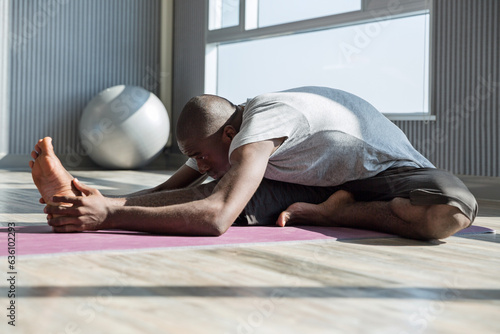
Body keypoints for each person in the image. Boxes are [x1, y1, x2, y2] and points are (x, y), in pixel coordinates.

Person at [31, 86, 477, 240]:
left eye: (202, 154)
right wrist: (98, 196)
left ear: (230, 134)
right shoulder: (227, 131)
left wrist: (109, 216)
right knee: (212, 186)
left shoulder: (262, 126)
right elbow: (185, 184)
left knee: (446, 215)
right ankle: (72, 195)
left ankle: (339, 213)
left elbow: (215, 218)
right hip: (323, 180)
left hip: (392, 175)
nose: (200, 164)